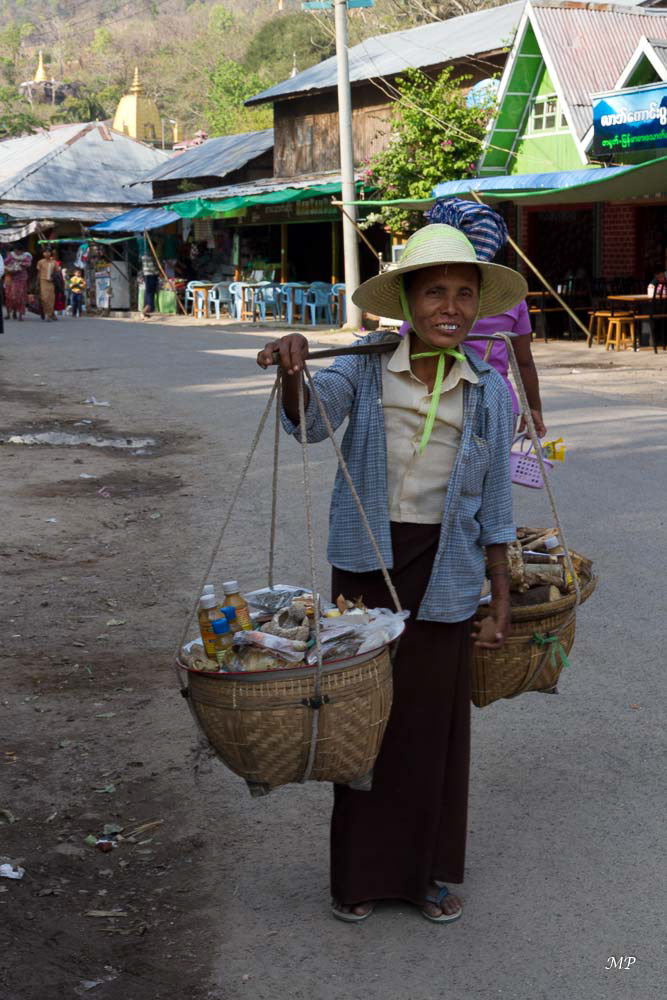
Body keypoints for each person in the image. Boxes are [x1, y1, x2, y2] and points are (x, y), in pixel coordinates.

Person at [257, 224, 527, 924]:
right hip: (367, 562)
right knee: (362, 719)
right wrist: (294, 370)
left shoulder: (489, 391)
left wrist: (499, 595)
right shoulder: (363, 367)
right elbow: (310, 422)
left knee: (431, 726)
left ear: (477, 306)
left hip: (448, 566)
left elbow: (496, 504)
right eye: (434, 292)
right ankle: (358, 877)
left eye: (463, 294)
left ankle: (426, 875)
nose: (449, 308)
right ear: (406, 302)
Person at [425, 198, 546, 437]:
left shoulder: (429, 298)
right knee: (496, 463)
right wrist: (533, 408)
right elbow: (524, 362)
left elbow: (405, 347)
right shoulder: (511, 297)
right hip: (500, 403)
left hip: (442, 402)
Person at [3, 246, 32, 321]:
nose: (17, 252)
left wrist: (19, 263)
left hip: (21, 279)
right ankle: (9, 313)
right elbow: (5, 262)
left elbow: (28, 264)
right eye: (16, 250)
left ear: (22, 251)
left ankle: (20, 315)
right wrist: (12, 263)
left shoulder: (26, 256)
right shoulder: (11, 255)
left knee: (20, 297)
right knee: (10, 296)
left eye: (19, 251)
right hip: (11, 279)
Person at [36, 248, 57, 321]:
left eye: (48, 252)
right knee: (44, 298)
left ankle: (49, 314)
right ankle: (47, 312)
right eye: (45, 252)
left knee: (51, 298)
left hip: (51, 282)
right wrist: (37, 283)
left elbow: (57, 272)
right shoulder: (40, 262)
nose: (46, 254)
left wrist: (54, 278)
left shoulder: (54, 262)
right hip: (43, 281)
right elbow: (38, 273)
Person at [141, 247, 160, 317]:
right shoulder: (148, 256)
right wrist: (158, 272)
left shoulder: (143, 255)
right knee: (150, 292)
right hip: (151, 275)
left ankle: (148, 308)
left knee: (148, 292)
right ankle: (148, 308)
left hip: (147, 275)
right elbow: (152, 268)